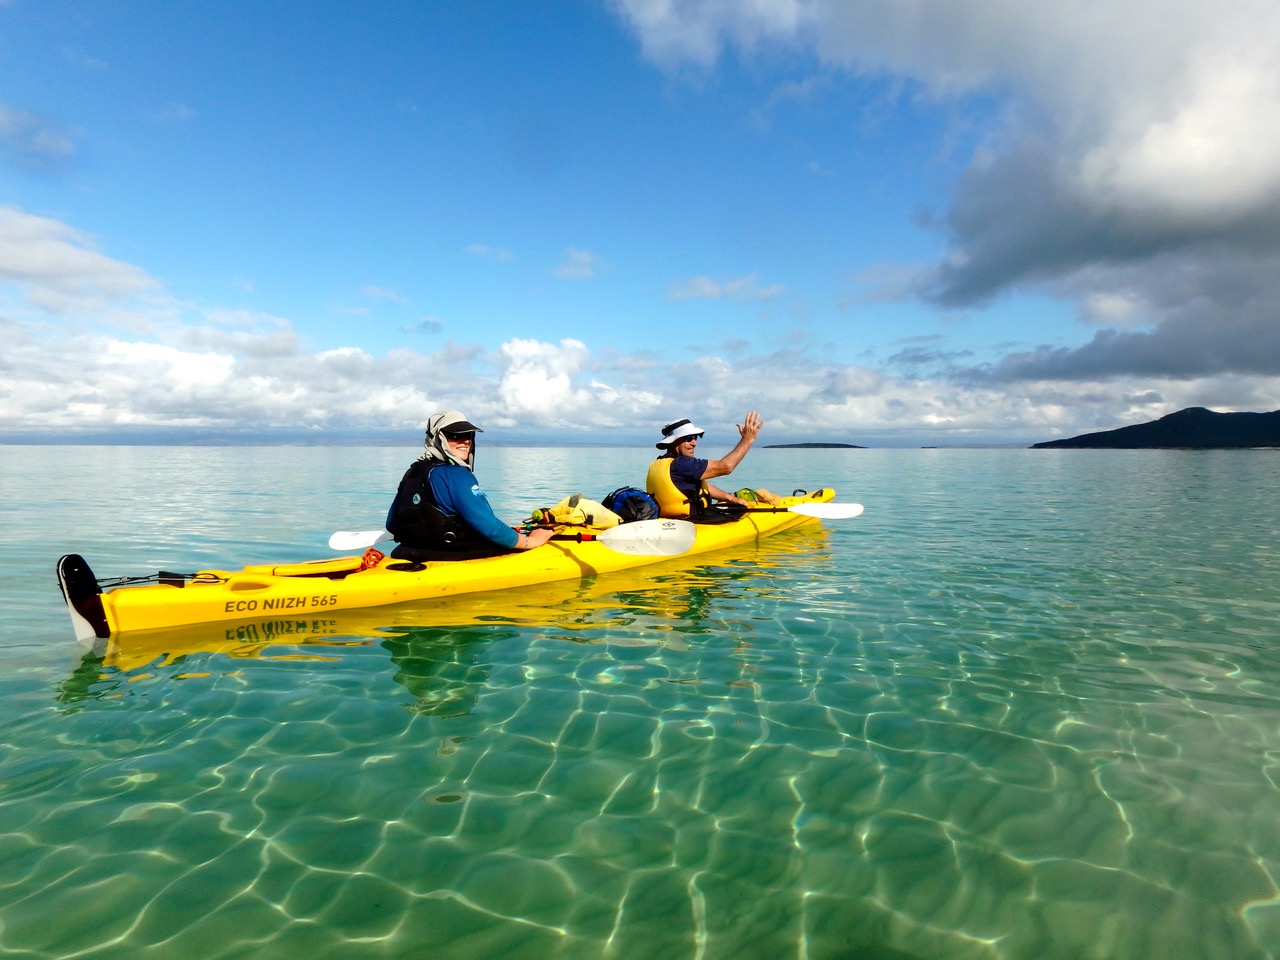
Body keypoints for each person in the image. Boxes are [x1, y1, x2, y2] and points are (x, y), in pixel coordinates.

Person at [386, 411, 555, 561]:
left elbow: (392, 524)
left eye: (468, 435)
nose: (465, 441)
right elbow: (491, 528)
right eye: (454, 435)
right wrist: (529, 541)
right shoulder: (457, 474)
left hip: (408, 553)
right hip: (450, 555)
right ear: (439, 439)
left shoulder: (412, 472)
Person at [646, 412, 764, 519]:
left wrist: (729, 498)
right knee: (744, 511)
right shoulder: (683, 464)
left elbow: (698, 485)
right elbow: (726, 467)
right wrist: (748, 439)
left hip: (670, 519)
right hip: (693, 520)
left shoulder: (660, 463)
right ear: (673, 442)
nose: (694, 443)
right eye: (688, 438)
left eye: (695, 438)